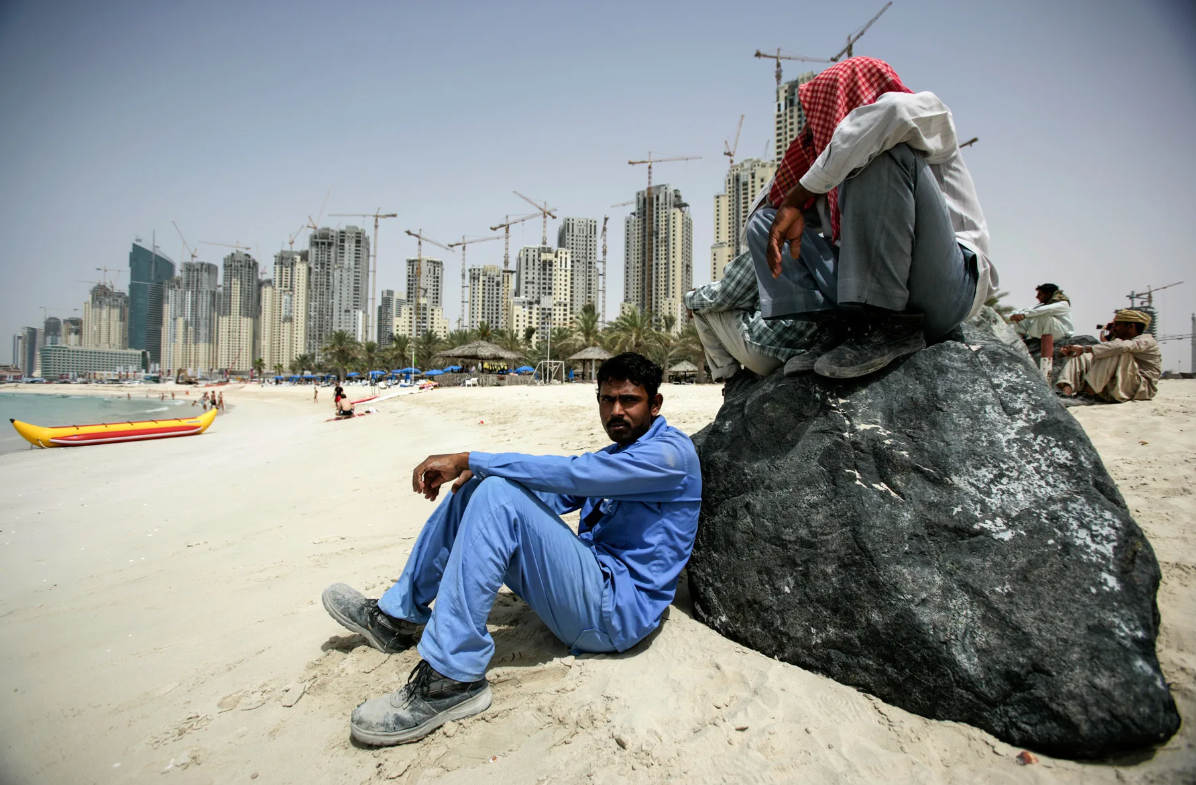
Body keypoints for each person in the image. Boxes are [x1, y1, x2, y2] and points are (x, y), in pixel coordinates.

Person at [321, 353, 700, 746]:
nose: (615, 411)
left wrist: (471, 458)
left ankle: (452, 679)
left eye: (629, 400)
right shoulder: (624, 451)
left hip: (614, 614)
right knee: (478, 486)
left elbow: (573, 473)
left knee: (496, 489)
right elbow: (557, 493)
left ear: (655, 405)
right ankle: (396, 617)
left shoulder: (669, 456)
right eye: (607, 400)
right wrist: (478, 472)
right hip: (590, 587)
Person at [746, 57, 997, 379]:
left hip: (945, 291)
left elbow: (889, 115)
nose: (817, 124)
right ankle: (835, 327)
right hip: (862, 309)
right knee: (766, 223)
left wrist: (799, 194)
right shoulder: (829, 178)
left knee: (878, 153)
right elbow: (758, 218)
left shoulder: (927, 119)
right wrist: (795, 203)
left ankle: (895, 327)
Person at [685, 251, 818, 382]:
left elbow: (723, 295)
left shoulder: (769, 246)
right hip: (804, 347)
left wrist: (689, 299)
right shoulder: (814, 248)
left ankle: (731, 377)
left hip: (768, 351)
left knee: (700, 306)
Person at [1056, 309, 1161, 403]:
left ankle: (1086, 396)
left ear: (1131, 326)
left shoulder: (1147, 341)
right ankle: (1066, 395)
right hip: (1117, 386)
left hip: (1140, 389)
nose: (1114, 328)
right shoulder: (1120, 342)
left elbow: (1119, 347)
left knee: (1113, 350)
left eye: (1117, 325)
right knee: (1083, 355)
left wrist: (1084, 348)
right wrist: (1077, 351)